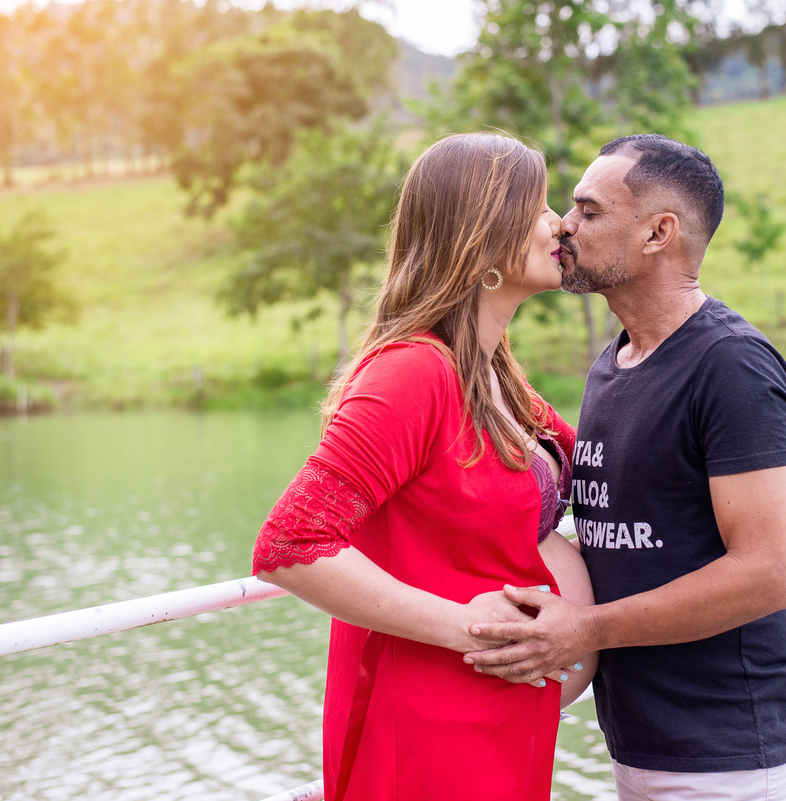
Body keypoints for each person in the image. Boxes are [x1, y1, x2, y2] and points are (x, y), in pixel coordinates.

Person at [464, 134, 786, 800]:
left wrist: (585, 628)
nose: (564, 226)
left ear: (658, 233)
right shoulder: (616, 361)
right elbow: (628, 535)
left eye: (589, 211)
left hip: (727, 748)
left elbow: (768, 573)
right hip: (639, 738)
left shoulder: (731, 366)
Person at [250, 132, 595, 801]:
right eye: (540, 207)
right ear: (484, 235)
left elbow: (592, 473)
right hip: (430, 730)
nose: (559, 224)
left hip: (503, 717)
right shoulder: (413, 372)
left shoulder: (497, 377)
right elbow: (290, 545)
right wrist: (471, 627)